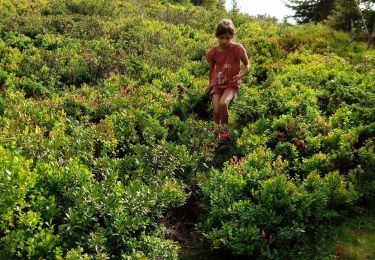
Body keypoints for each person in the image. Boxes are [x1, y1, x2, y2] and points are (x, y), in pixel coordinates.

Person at [206, 18, 250, 145]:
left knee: (223, 103)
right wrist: (210, 84)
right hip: (217, 84)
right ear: (217, 36)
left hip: (231, 84)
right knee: (216, 111)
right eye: (222, 38)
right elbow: (212, 69)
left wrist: (241, 74)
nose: (224, 41)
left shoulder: (237, 48)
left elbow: (247, 65)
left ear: (232, 36)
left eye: (228, 38)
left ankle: (224, 134)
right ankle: (215, 134)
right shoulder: (213, 51)